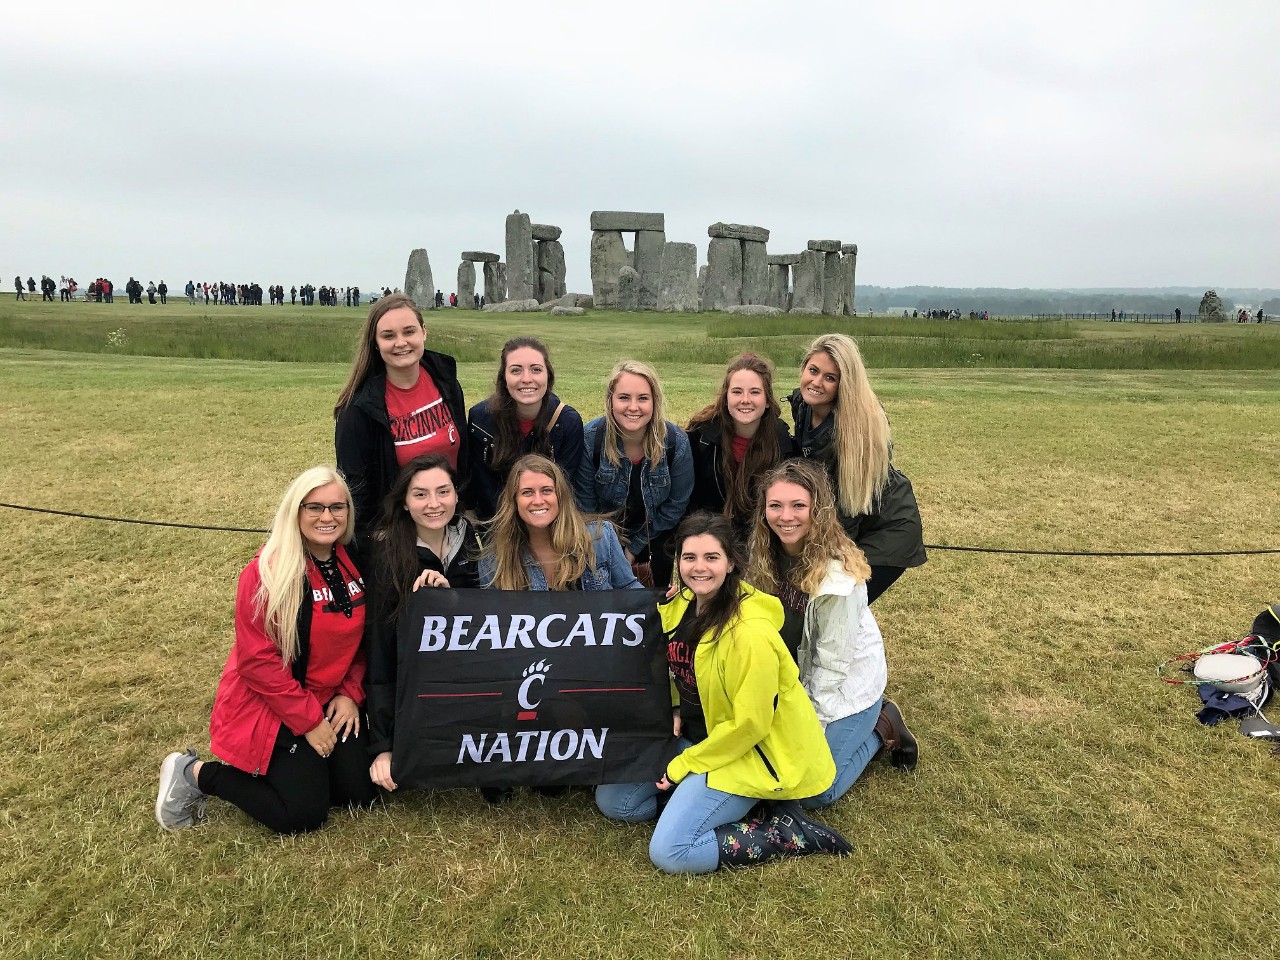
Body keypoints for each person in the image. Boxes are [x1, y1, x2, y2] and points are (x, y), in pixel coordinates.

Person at [595, 512, 850, 873]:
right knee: (615, 801)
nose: (699, 568)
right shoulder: (680, 605)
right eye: (689, 557)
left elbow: (750, 726)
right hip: (695, 735)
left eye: (711, 557)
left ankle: (787, 830)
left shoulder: (750, 635)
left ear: (731, 563)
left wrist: (684, 766)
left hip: (742, 752)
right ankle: (713, 803)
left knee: (670, 851)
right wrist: (672, 707)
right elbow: (667, 664)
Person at [155, 467, 377, 834]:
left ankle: (308, 767)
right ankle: (194, 773)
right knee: (303, 815)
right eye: (315, 507)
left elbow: (362, 642)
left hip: (329, 696)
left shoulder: (353, 560)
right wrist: (309, 721)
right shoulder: (267, 573)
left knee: (359, 793)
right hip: (273, 703)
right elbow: (257, 664)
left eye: (337, 507)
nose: (327, 517)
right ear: (295, 511)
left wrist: (350, 693)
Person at [747, 460, 918, 809]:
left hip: (845, 688)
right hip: (795, 677)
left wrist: (806, 729)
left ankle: (882, 724)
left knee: (814, 791)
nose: (786, 516)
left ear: (818, 510)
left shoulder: (838, 578)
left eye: (799, 506)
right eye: (775, 505)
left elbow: (832, 667)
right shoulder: (762, 553)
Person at [365, 454, 481, 793]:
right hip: (413, 684)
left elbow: (488, 620)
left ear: (456, 495)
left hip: (466, 680)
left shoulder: (472, 538)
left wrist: (450, 600)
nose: (434, 504)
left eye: (443, 491)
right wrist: (383, 745)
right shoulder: (385, 552)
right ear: (403, 501)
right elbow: (380, 649)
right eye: (420, 494)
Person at [788, 333, 926, 604]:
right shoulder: (803, 405)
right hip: (849, 521)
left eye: (830, 378)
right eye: (813, 370)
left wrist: (828, 559)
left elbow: (848, 509)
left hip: (885, 532)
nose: (816, 382)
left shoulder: (856, 430)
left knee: (837, 608)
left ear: (844, 384)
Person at [334, 293, 468, 552]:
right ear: (375, 342)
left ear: (424, 332)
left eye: (409, 331)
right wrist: (375, 541)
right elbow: (356, 489)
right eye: (388, 336)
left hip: (450, 527)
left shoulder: (446, 381)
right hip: (396, 536)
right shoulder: (359, 410)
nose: (401, 343)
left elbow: (463, 454)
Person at [574, 360, 693, 589]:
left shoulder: (675, 442)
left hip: (655, 537)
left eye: (643, 398)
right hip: (598, 539)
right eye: (624, 397)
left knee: (650, 610)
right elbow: (586, 509)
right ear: (610, 400)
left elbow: (676, 505)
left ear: (654, 401)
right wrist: (616, 552)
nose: (633, 407)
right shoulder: (590, 439)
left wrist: (633, 548)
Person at [479, 454, 640, 592]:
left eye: (546, 490)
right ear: (514, 500)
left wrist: (663, 601)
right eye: (527, 492)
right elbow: (490, 619)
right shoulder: (494, 559)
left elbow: (630, 591)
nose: (538, 500)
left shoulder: (599, 536)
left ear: (560, 496)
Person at [467, 337, 584, 521]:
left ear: (548, 376)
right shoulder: (480, 419)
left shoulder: (568, 422)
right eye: (516, 370)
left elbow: (564, 489)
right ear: (504, 378)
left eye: (536, 369)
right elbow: (484, 488)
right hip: (498, 522)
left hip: (548, 521)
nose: (527, 379)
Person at [686, 353, 794, 535]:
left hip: (764, 539)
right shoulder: (701, 438)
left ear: (767, 400)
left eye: (755, 392)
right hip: (711, 537)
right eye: (737, 391)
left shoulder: (783, 445)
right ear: (726, 397)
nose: (745, 399)